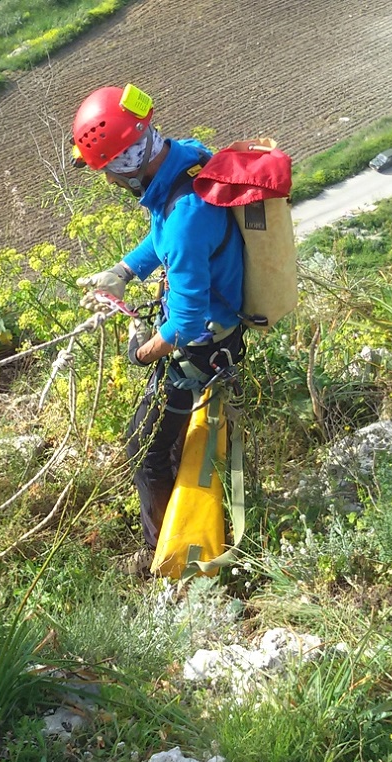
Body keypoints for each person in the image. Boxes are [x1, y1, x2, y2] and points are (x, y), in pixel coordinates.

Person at [72, 84, 244, 571]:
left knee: (144, 451)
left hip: (202, 349)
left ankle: (164, 558)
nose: (107, 179)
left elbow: (185, 321)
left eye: (107, 169)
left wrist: (142, 352)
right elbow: (161, 238)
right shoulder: (182, 160)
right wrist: (124, 271)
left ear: (128, 162)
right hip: (214, 332)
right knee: (166, 442)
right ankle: (178, 529)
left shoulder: (186, 214)